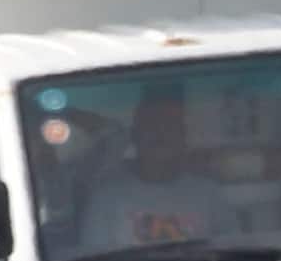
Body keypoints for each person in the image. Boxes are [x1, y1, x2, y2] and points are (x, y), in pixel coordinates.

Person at [79, 90, 222, 252]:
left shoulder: (209, 194)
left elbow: (228, 255)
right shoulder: (106, 199)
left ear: (182, 137)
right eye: (152, 126)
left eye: (169, 126)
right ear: (136, 136)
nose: (160, 135)